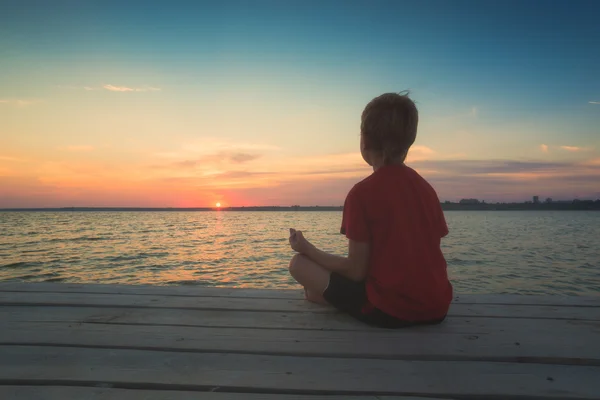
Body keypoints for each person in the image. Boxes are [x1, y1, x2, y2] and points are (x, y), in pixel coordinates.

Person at [288, 91, 452, 328]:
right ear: (409, 141)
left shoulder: (362, 194)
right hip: (437, 308)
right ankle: (325, 295)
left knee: (298, 265)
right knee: (314, 288)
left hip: (390, 311)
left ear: (364, 140)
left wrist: (306, 248)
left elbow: (356, 271)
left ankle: (326, 297)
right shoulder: (426, 189)